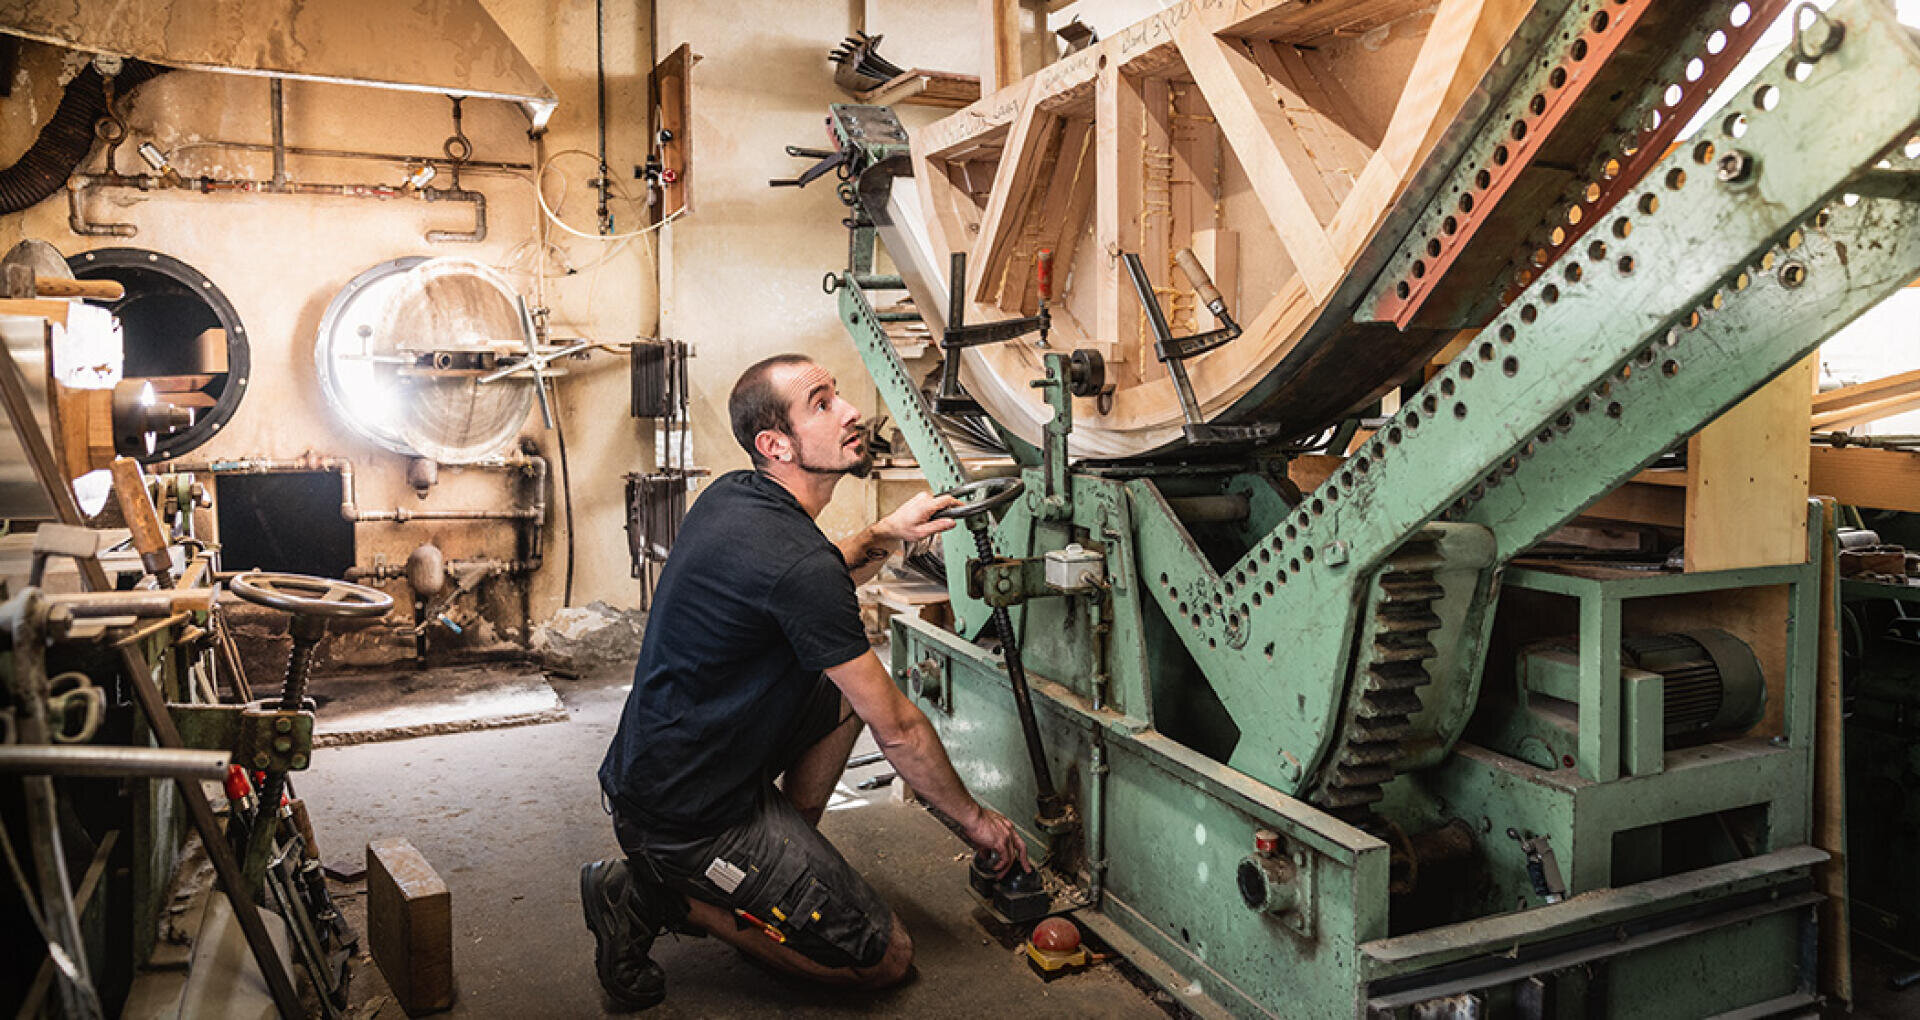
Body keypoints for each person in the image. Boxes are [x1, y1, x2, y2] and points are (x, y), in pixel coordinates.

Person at [582, 353, 1030, 1010]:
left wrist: (888, 533)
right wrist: (976, 823)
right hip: (682, 818)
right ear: (777, 445)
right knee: (884, 958)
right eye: (821, 403)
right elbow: (899, 729)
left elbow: (811, 575)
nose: (849, 411)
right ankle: (656, 894)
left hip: (670, 769)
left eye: (838, 394)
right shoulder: (794, 563)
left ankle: (780, 859)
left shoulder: (736, 495)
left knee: (837, 701)